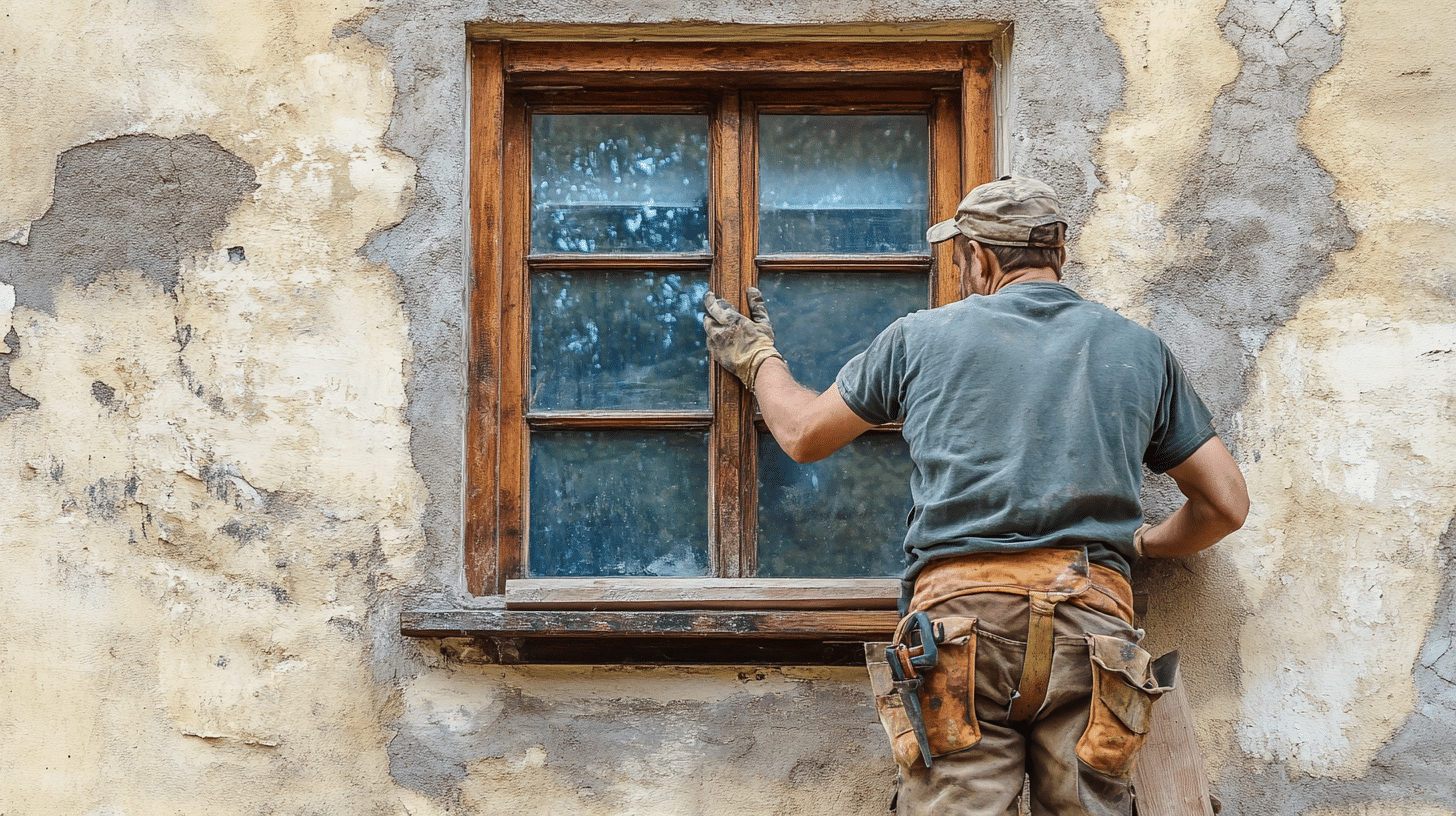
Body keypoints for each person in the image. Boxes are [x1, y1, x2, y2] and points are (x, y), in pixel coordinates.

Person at [701, 176, 1249, 816]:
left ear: (980, 259)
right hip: (1092, 628)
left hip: (961, 628)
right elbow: (1225, 505)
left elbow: (800, 435)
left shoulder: (919, 338)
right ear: (1061, 252)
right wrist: (1141, 542)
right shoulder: (1141, 351)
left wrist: (759, 358)